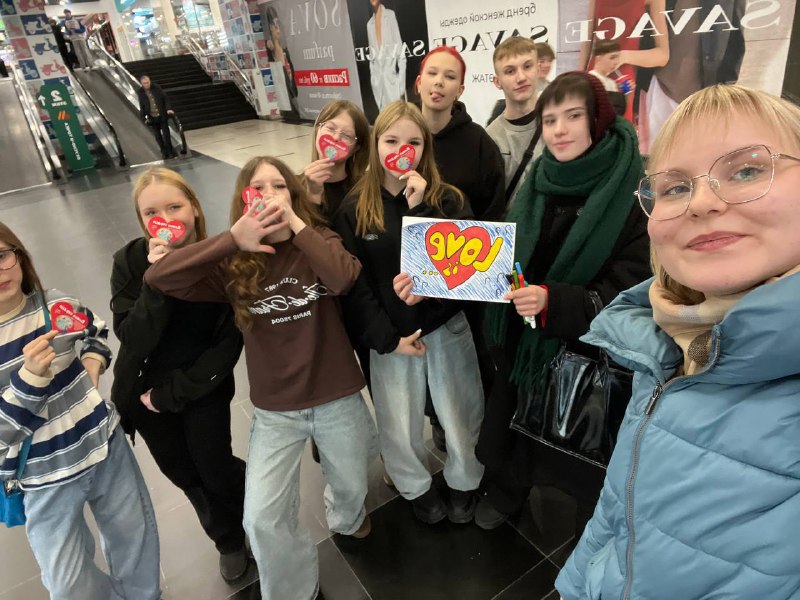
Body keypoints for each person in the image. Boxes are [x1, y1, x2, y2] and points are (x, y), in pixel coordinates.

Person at [556, 84, 800, 599]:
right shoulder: (669, 339)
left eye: (748, 170)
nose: (703, 202)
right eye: (673, 187)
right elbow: (622, 514)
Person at [145, 156, 376, 600]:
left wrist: (298, 225)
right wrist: (233, 239)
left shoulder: (318, 240)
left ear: (292, 194)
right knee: (262, 518)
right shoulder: (234, 261)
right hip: (276, 411)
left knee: (353, 479)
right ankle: (293, 588)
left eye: (279, 187)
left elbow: (344, 278)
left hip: (338, 394)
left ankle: (345, 516)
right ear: (243, 200)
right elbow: (160, 277)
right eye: (258, 188)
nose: (268, 195)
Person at [475, 72, 650, 531]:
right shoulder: (541, 178)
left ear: (598, 119)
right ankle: (509, 490)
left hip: (587, 352)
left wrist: (558, 302)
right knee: (514, 425)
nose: (559, 129)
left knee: (581, 445)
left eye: (573, 116)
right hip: (525, 342)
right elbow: (506, 251)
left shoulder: (631, 188)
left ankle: (589, 520)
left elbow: (633, 284)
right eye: (550, 119)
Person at [335, 100, 485, 525]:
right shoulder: (353, 208)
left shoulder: (449, 200)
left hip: (445, 326)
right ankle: (414, 486)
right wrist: (385, 338)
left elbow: (470, 273)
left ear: (425, 149)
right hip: (392, 337)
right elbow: (354, 286)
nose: (402, 148)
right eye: (392, 140)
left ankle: (464, 482)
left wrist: (421, 210)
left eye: (413, 142)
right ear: (376, 144)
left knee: (460, 413)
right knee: (398, 423)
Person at [0, 222, 161, 598]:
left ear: (19, 255)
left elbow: (94, 328)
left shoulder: (54, 304)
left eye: (2, 255)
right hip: (42, 477)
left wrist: (93, 364)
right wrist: (29, 380)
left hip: (103, 446)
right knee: (66, 581)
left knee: (134, 542)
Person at [110, 168, 248, 584]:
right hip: (143, 390)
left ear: (194, 207)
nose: (165, 217)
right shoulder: (130, 262)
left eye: (174, 206)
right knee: (182, 472)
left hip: (199, 387)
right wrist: (156, 281)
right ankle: (226, 537)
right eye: (151, 211)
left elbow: (227, 346)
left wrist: (173, 393)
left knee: (215, 466)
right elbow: (132, 336)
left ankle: (250, 520)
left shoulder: (221, 261)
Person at [416, 44, 505, 405]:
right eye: (433, 74)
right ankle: (435, 418)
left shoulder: (479, 143)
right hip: (414, 277)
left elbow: (494, 213)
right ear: (418, 82)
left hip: (465, 275)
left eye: (450, 77)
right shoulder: (400, 137)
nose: (439, 83)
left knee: (471, 359)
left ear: (461, 90)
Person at [486, 36, 543, 206]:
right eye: (510, 71)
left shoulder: (558, 127)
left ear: (538, 69)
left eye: (527, 66)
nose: (521, 77)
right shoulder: (490, 138)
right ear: (497, 81)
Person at [302, 100, 371, 221]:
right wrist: (312, 197)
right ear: (318, 129)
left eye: (346, 135)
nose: (335, 137)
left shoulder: (365, 190)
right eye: (330, 128)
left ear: (356, 147)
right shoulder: (294, 187)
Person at [367, 0, 406, 110]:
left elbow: (400, 50)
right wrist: (374, 80)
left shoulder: (390, 16)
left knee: (398, 116)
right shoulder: (369, 25)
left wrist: (400, 84)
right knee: (385, 121)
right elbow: (372, 57)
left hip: (393, 81)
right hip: (379, 85)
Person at [137, 75, 176, 160]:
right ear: (142, 84)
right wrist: (143, 118)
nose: (147, 84)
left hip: (162, 115)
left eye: (148, 82)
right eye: (144, 83)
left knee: (166, 135)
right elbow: (142, 105)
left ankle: (170, 152)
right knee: (158, 137)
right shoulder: (140, 92)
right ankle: (163, 152)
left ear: (150, 81)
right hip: (152, 117)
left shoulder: (156, 88)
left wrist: (168, 108)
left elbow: (165, 98)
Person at [588, 39, 627, 116]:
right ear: (598, 58)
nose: (616, 62)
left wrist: (625, 93)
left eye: (617, 58)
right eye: (612, 57)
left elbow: (618, 111)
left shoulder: (612, 82)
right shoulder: (590, 79)